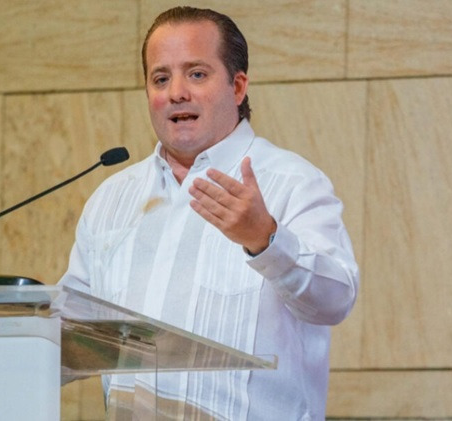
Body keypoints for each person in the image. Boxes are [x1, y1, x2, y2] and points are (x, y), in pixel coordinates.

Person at [60, 6, 358, 420]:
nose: (176, 92)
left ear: (238, 87)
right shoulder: (112, 198)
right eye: (160, 78)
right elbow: (71, 332)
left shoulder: (291, 182)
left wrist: (266, 240)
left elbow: (336, 299)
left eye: (197, 74)